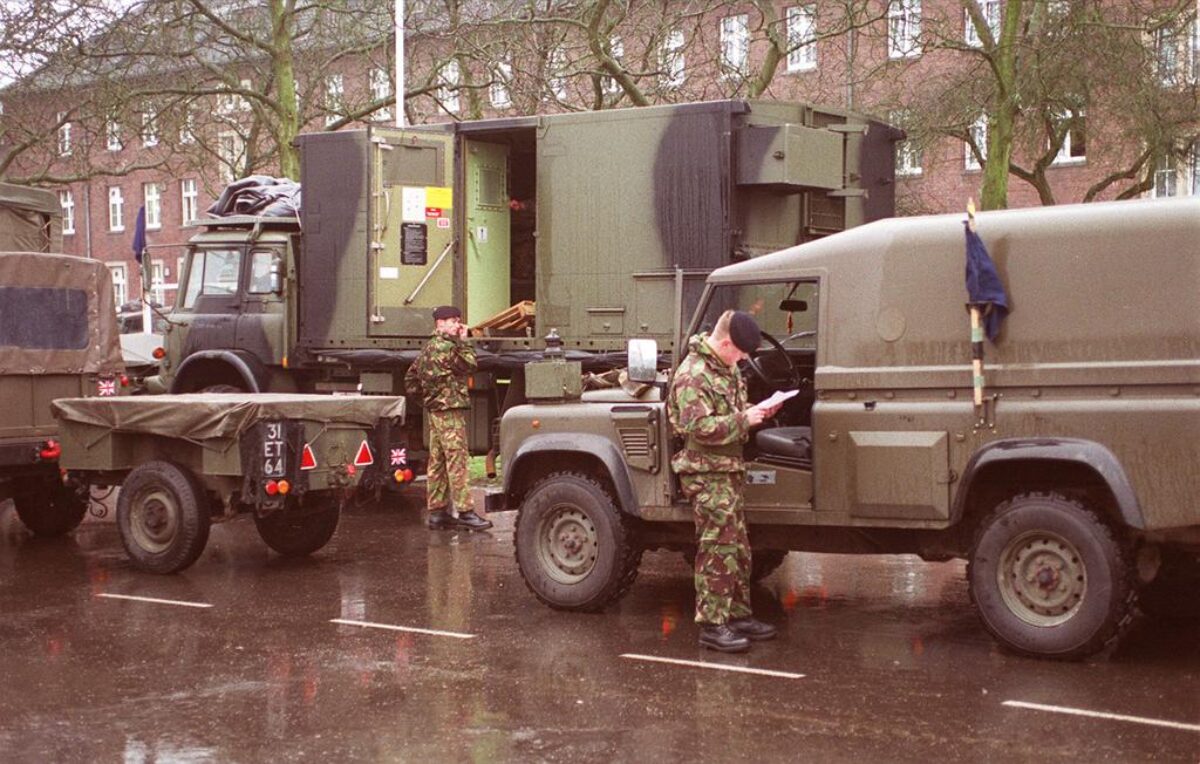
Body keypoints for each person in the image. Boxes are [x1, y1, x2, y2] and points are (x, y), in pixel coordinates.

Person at [669, 309, 781, 653]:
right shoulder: (694, 374)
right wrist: (743, 419)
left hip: (727, 470)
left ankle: (738, 614)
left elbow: (729, 411)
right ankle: (713, 625)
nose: (744, 359)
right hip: (705, 473)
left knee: (738, 548)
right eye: (742, 352)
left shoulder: (725, 368)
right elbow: (697, 428)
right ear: (727, 343)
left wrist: (756, 412)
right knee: (717, 548)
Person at [404, 305, 493, 531]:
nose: (456, 324)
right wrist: (464, 341)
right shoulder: (448, 348)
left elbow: (411, 379)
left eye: (457, 320)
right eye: (452, 320)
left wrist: (427, 402)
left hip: (436, 412)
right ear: (439, 324)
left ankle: (437, 512)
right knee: (457, 459)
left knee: (438, 461)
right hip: (450, 411)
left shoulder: (428, 348)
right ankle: (465, 511)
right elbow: (471, 364)